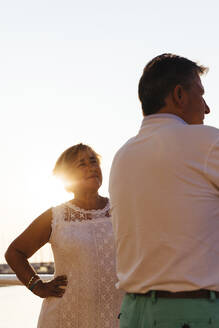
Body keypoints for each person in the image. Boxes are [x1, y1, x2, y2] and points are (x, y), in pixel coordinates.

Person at [109, 53, 219, 328]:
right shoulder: (206, 142)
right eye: (201, 94)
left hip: (132, 313)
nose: (207, 108)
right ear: (179, 94)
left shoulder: (123, 155)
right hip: (190, 314)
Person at [5, 143, 122, 328]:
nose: (91, 167)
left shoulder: (121, 209)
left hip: (114, 316)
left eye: (93, 161)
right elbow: (14, 252)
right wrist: (38, 286)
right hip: (65, 317)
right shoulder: (56, 217)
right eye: (82, 164)